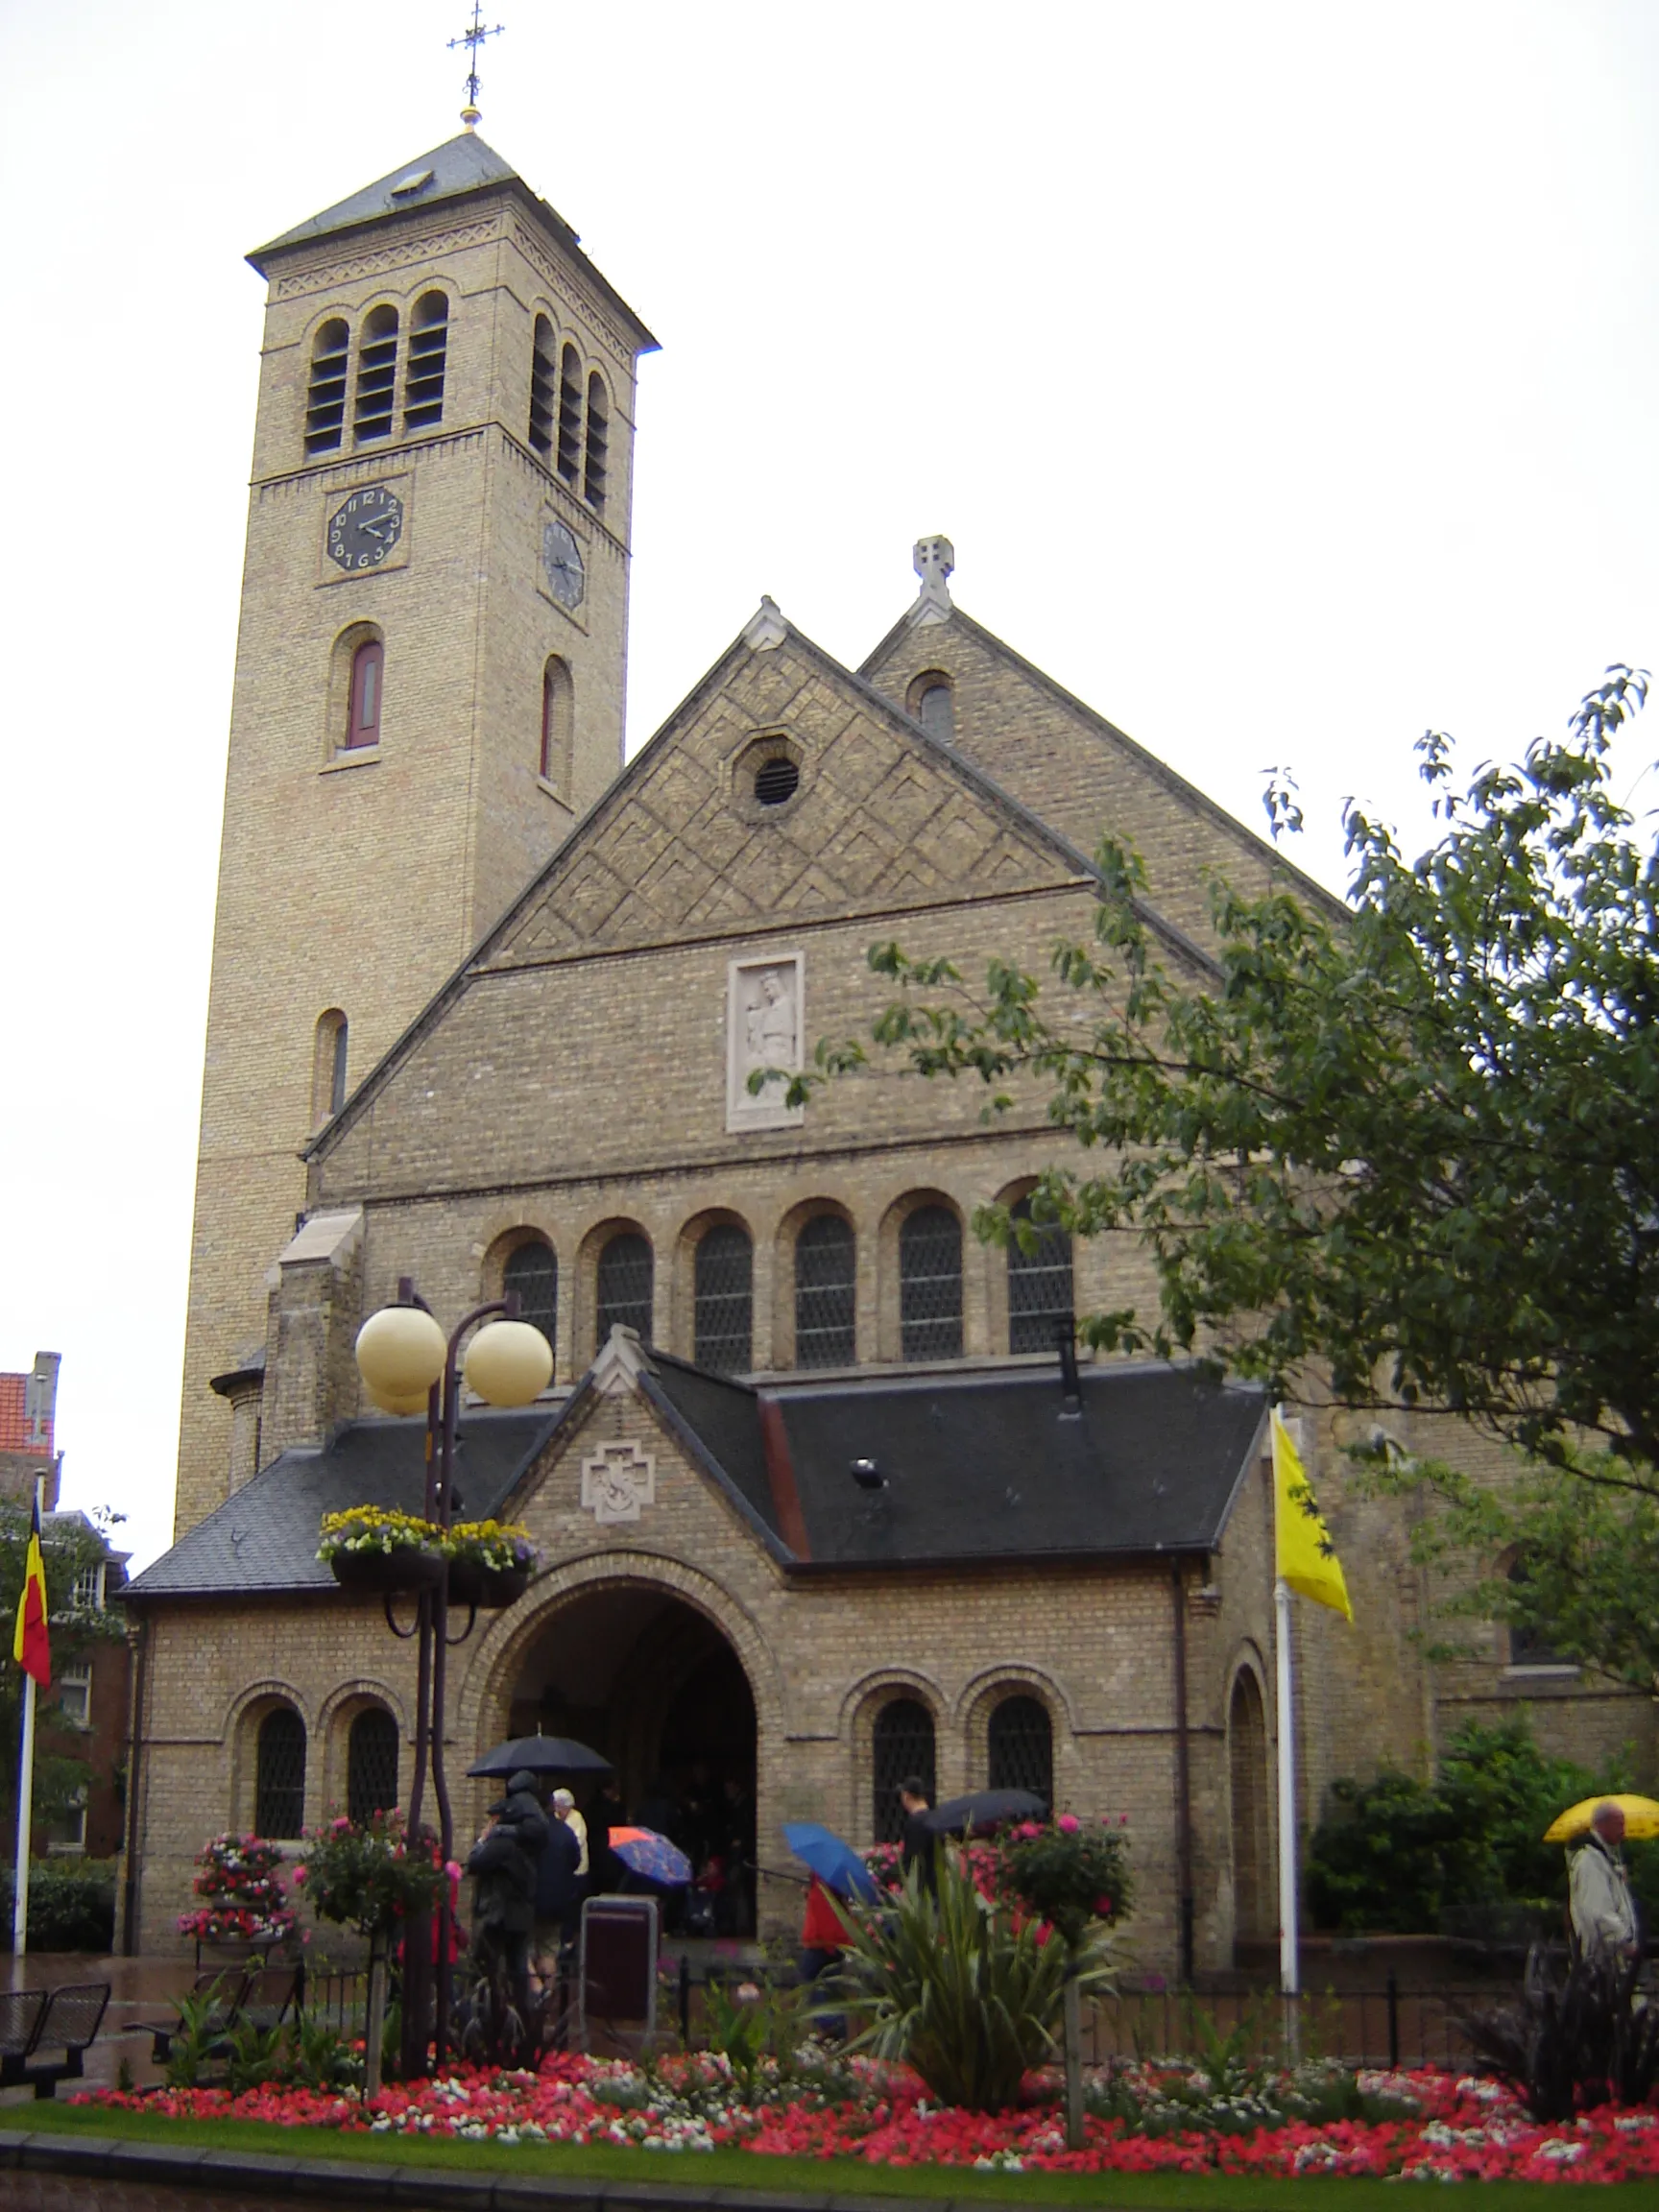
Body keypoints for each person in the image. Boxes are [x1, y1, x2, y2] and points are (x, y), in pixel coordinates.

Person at [466, 1767, 548, 2012]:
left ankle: (482, 2013)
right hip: (521, 1915)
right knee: (518, 1967)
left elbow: (474, 1863)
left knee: (484, 1966)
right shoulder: (530, 1845)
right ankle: (523, 2014)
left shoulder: (503, 1844)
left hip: (498, 1915)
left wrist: (483, 1840)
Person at [1570, 1799, 1641, 1961]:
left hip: (1612, 1957)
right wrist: (1623, 1939)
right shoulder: (1590, 1861)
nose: (1623, 1831)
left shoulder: (1605, 1859)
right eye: (1618, 1825)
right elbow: (1598, 1912)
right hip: (1603, 1958)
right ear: (1602, 1825)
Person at [532, 1790, 583, 1987]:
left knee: (526, 1949)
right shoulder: (565, 1831)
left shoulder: (530, 1832)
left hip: (532, 1900)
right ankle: (548, 1995)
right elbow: (576, 1861)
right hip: (558, 1902)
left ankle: (533, 1993)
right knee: (549, 1949)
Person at [898, 1775, 938, 1896]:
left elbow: (912, 1858)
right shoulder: (935, 1818)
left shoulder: (914, 1823)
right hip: (936, 1885)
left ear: (906, 1796)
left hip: (920, 1890)